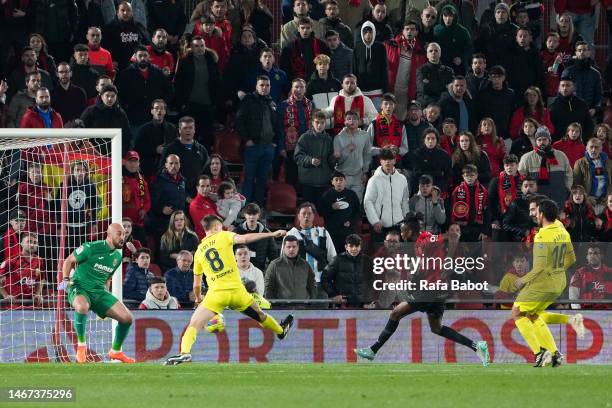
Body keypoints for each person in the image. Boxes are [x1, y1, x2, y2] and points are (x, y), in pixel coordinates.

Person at [354, 213, 490, 364]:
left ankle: (373, 350)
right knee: (436, 328)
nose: (401, 233)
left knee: (395, 313)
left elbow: (453, 235)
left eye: (402, 230)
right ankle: (477, 346)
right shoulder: (418, 245)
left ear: (410, 231)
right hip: (437, 290)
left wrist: (448, 262)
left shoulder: (425, 239)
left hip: (431, 289)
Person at [164, 215, 293, 365]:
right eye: (220, 225)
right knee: (260, 315)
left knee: (194, 324)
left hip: (217, 294)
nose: (222, 228)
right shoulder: (223, 236)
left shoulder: (199, 252)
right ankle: (280, 330)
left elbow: (197, 284)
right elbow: (245, 239)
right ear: (215, 227)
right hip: (238, 292)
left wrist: (199, 298)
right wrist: (271, 234)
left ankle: (184, 353)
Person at [58, 223, 136, 363]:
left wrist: (103, 306)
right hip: (80, 287)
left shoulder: (117, 258)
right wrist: (65, 279)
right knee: (82, 307)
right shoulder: (91, 247)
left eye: (124, 234)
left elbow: (106, 278)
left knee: (127, 318)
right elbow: (69, 260)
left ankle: (116, 351)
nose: (123, 237)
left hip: (99, 293)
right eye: (119, 233)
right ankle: (81, 348)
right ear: (109, 233)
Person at [512, 199, 576, 367]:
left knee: (517, 312)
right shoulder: (562, 230)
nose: (536, 215)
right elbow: (571, 258)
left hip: (544, 283)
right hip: (559, 282)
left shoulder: (542, 235)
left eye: (537, 212)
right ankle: (555, 354)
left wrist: (521, 280)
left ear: (542, 215)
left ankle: (540, 353)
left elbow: (539, 267)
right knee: (533, 315)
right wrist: (557, 270)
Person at [236, 75, 277, 206]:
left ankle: (258, 209)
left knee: (262, 179)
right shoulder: (248, 100)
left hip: (268, 147)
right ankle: (245, 208)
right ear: (256, 86)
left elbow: (275, 124)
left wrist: (274, 142)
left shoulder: (271, 101)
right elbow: (239, 121)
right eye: (262, 85)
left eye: (267, 85)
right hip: (253, 146)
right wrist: (247, 140)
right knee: (249, 178)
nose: (264, 88)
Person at [286, 202, 337, 291]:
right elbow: (284, 259)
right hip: (298, 281)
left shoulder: (323, 233)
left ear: (314, 216)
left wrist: (330, 277)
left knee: (321, 305)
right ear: (298, 216)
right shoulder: (291, 234)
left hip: (321, 280)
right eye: (303, 213)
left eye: (309, 214)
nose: (306, 216)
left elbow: (333, 257)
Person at [518, 126, 572, 208]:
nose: (542, 142)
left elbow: (569, 175)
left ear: (549, 140)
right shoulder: (526, 158)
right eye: (539, 140)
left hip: (558, 198)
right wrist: (526, 193)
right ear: (536, 141)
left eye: (544, 139)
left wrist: (567, 190)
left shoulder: (561, 156)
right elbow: (521, 178)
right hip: (536, 200)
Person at [365, 148, 410, 242]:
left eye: (390, 159)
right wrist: (375, 221)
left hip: (398, 224)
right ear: (380, 161)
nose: (387, 162)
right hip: (380, 226)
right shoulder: (374, 180)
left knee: (398, 255)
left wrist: (405, 220)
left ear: (395, 160)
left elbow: (405, 200)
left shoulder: (402, 179)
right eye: (385, 159)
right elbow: (368, 202)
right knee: (380, 255)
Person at [384, 21, 426, 120]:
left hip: (406, 90)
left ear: (416, 32)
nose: (409, 31)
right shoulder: (390, 45)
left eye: (412, 29)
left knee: (401, 119)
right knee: (386, 118)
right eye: (407, 29)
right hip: (391, 87)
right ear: (403, 31)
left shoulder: (420, 52)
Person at [294, 111, 336, 204]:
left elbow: (331, 162)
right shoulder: (305, 138)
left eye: (322, 123)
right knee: (309, 211)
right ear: (312, 123)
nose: (319, 125)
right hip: (308, 183)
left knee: (322, 213)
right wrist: (310, 160)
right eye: (317, 122)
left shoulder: (329, 139)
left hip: (324, 182)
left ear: (325, 123)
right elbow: (298, 156)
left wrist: (335, 157)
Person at [160, 116, 209, 197]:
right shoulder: (169, 149)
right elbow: (161, 172)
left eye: (190, 127)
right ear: (179, 130)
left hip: (197, 195)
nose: (188, 130)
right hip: (175, 195)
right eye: (185, 128)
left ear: (194, 130)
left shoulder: (202, 149)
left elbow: (206, 172)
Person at [321, 234, 374, 308]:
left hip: (363, 306)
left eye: (357, 246)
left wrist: (369, 301)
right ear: (346, 247)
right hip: (342, 305)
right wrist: (334, 295)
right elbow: (325, 279)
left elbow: (372, 282)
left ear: (360, 247)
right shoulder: (337, 260)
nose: (354, 249)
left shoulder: (368, 261)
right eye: (351, 246)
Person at [134, 99, 177, 180]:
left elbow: (175, 147)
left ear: (165, 111)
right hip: (148, 170)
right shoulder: (144, 129)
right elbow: (137, 149)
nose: (159, 110)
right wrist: (155, 149)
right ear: (152, 111)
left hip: (168, 170)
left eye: (162, 108)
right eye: (156, 108)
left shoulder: (172, 128)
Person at [333, 110, 371, 201]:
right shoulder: (338, 138)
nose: (352, 121)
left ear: (359, 121)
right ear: (344, 122)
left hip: (358, 176)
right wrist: (346, 151)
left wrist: (365, 171)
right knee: (343, 205)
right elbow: (337, 161)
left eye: (354, 119)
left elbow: (367, 155)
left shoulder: (365, 135)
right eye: (349, 119)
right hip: (342, 176)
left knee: (356, 204)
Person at [318, 171, 360, 253]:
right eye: (336, 180)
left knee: (348, 254)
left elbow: (358, 212)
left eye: (341, 180)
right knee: (334, 255)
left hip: (348, 231)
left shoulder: (352, 194)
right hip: (332, 232)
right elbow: (320, 212)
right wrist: (331, 208)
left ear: (345, 181)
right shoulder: (327, 195)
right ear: (332, 182)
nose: (339, 182)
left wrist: (351, 222)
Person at [0, 232, 45, 309]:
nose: (32, 245)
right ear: (21, 244)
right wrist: (5, 295)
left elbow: (41, 279)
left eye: (35, 242)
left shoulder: (39, 261)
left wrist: (38, 294)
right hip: (13, 307)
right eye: (29, 241)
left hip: (31, 306)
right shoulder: (12, 260)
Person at [265, 235, 316, 300]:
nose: (291, 249)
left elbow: (312, 285)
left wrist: (311, 302)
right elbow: (268, 287)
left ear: (298, 247)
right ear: (283, 248)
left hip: (303, 307)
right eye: (288, 247)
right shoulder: (274, 265)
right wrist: (272, 305)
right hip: (281, 307)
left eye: (294, 247)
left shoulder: (305, 265)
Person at [280, 17, 329, 81]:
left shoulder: (321, 45)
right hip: (297, 82)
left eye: (308, 28)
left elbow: (328, 64)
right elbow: (285, 68)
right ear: (298, 29)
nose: (305, 30)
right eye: (302, 28)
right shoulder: (290, 47)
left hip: (317, 81)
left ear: (311, 29)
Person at [487, 154, 524, 241]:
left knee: (519, 251)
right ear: (504, 166)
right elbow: (490, 202)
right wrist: (493, 219)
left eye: (512, 165)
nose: (509, 168)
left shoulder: (524, 180)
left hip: (519, 220)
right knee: (499, 251)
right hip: (501, 220)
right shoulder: (496, 181)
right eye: (507, 165)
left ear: (517, 165)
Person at [352, 21, 388, 108]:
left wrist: (385, 91)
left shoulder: (380, 47)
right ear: (361, 33)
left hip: (377, 92)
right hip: (361, 92)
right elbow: (354, 69)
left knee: (378, 117)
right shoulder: (357, 48)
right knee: (362, 117)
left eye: (370, 32)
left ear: (374, 32)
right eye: (365, 32)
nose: (368, 35)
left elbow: (384, 70)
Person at [234, 203, 278, 272]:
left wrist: (270, 271)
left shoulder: (267, 233)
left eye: (254, 214)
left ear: (258, 215)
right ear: (245, 215)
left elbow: (273, 255)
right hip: (239, 271)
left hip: (259, 270)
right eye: (249, 214)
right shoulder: (236, 232)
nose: (251, 217)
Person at [451, 164, 489, 242]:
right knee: (461, 253)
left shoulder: (483, 191)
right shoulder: (456, 191)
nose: (469, 178)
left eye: (472, 175)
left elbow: (487, 212)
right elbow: (451, 210)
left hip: (477, 227)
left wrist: (484, 230)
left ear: (476, 175)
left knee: (476, 253)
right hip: (461, 227)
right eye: (467, 175)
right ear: (463, 176)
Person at [475, 66, 515, 141]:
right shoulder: (483, 95)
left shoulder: (510, 94)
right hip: (487, 134)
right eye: (494, 77)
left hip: (505, 134)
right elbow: (479, 115)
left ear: (504, 78)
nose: (496, 79)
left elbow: (513, 113)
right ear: (490, 77)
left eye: (499, 77)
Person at [573, 138, 612, 211]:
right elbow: (576, 185)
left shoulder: (608, 162)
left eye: (596, 147)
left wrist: (609, 196)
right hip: (588, 202)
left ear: (601, 149)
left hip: (605, 201)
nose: (593, 150)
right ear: (587, 148)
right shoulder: (579, 163)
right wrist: (586, 197)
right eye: (591, 147)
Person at [367, 93, 409, 159]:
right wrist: (380, 150)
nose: (388, 106)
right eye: (386, 104)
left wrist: (398, 150)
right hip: (379, 160)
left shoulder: (400, 125)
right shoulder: (374, 123)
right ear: (381, 106)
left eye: (391, 104)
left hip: (396, 161)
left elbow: (405, 148)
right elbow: (367, 147)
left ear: (394, 106)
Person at [434, 4, 472, 75]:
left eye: (450, 16)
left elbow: (469, 48)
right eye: (445, 15)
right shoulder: (436, 30)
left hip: (458, 67)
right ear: (441, 16)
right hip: (440, 66)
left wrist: (461, 58)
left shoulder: (462, 31)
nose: (448, 18)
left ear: (454, 17)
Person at [569, 245, 612, 310]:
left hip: (608, 312)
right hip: (587, 312)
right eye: (590, 253)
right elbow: (573, 297)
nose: (592, 256)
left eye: (595, 253)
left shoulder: (610, 272)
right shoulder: (579, 273)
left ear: (602, 256)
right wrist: (578, 311)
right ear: (587, 257)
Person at [122, 151, 150, 243]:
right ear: (125, 162)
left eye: (135, 161)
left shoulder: (141, 180)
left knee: (140, 248)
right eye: (130, 161)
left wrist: (144, 210)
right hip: (122, 223)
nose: (133, 164)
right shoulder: (118, 178)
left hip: (137, 223)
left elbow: (147, 200)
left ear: (139, 163)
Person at [189, 175, 219, 240]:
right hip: (206, 241)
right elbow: (205, 225)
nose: (205, 189)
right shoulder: (194, 204)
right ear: (197, 187)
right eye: (202, 186)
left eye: (207, 186)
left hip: (217, 236)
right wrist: (226, 228)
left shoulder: (211, 200)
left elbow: (220, 216)